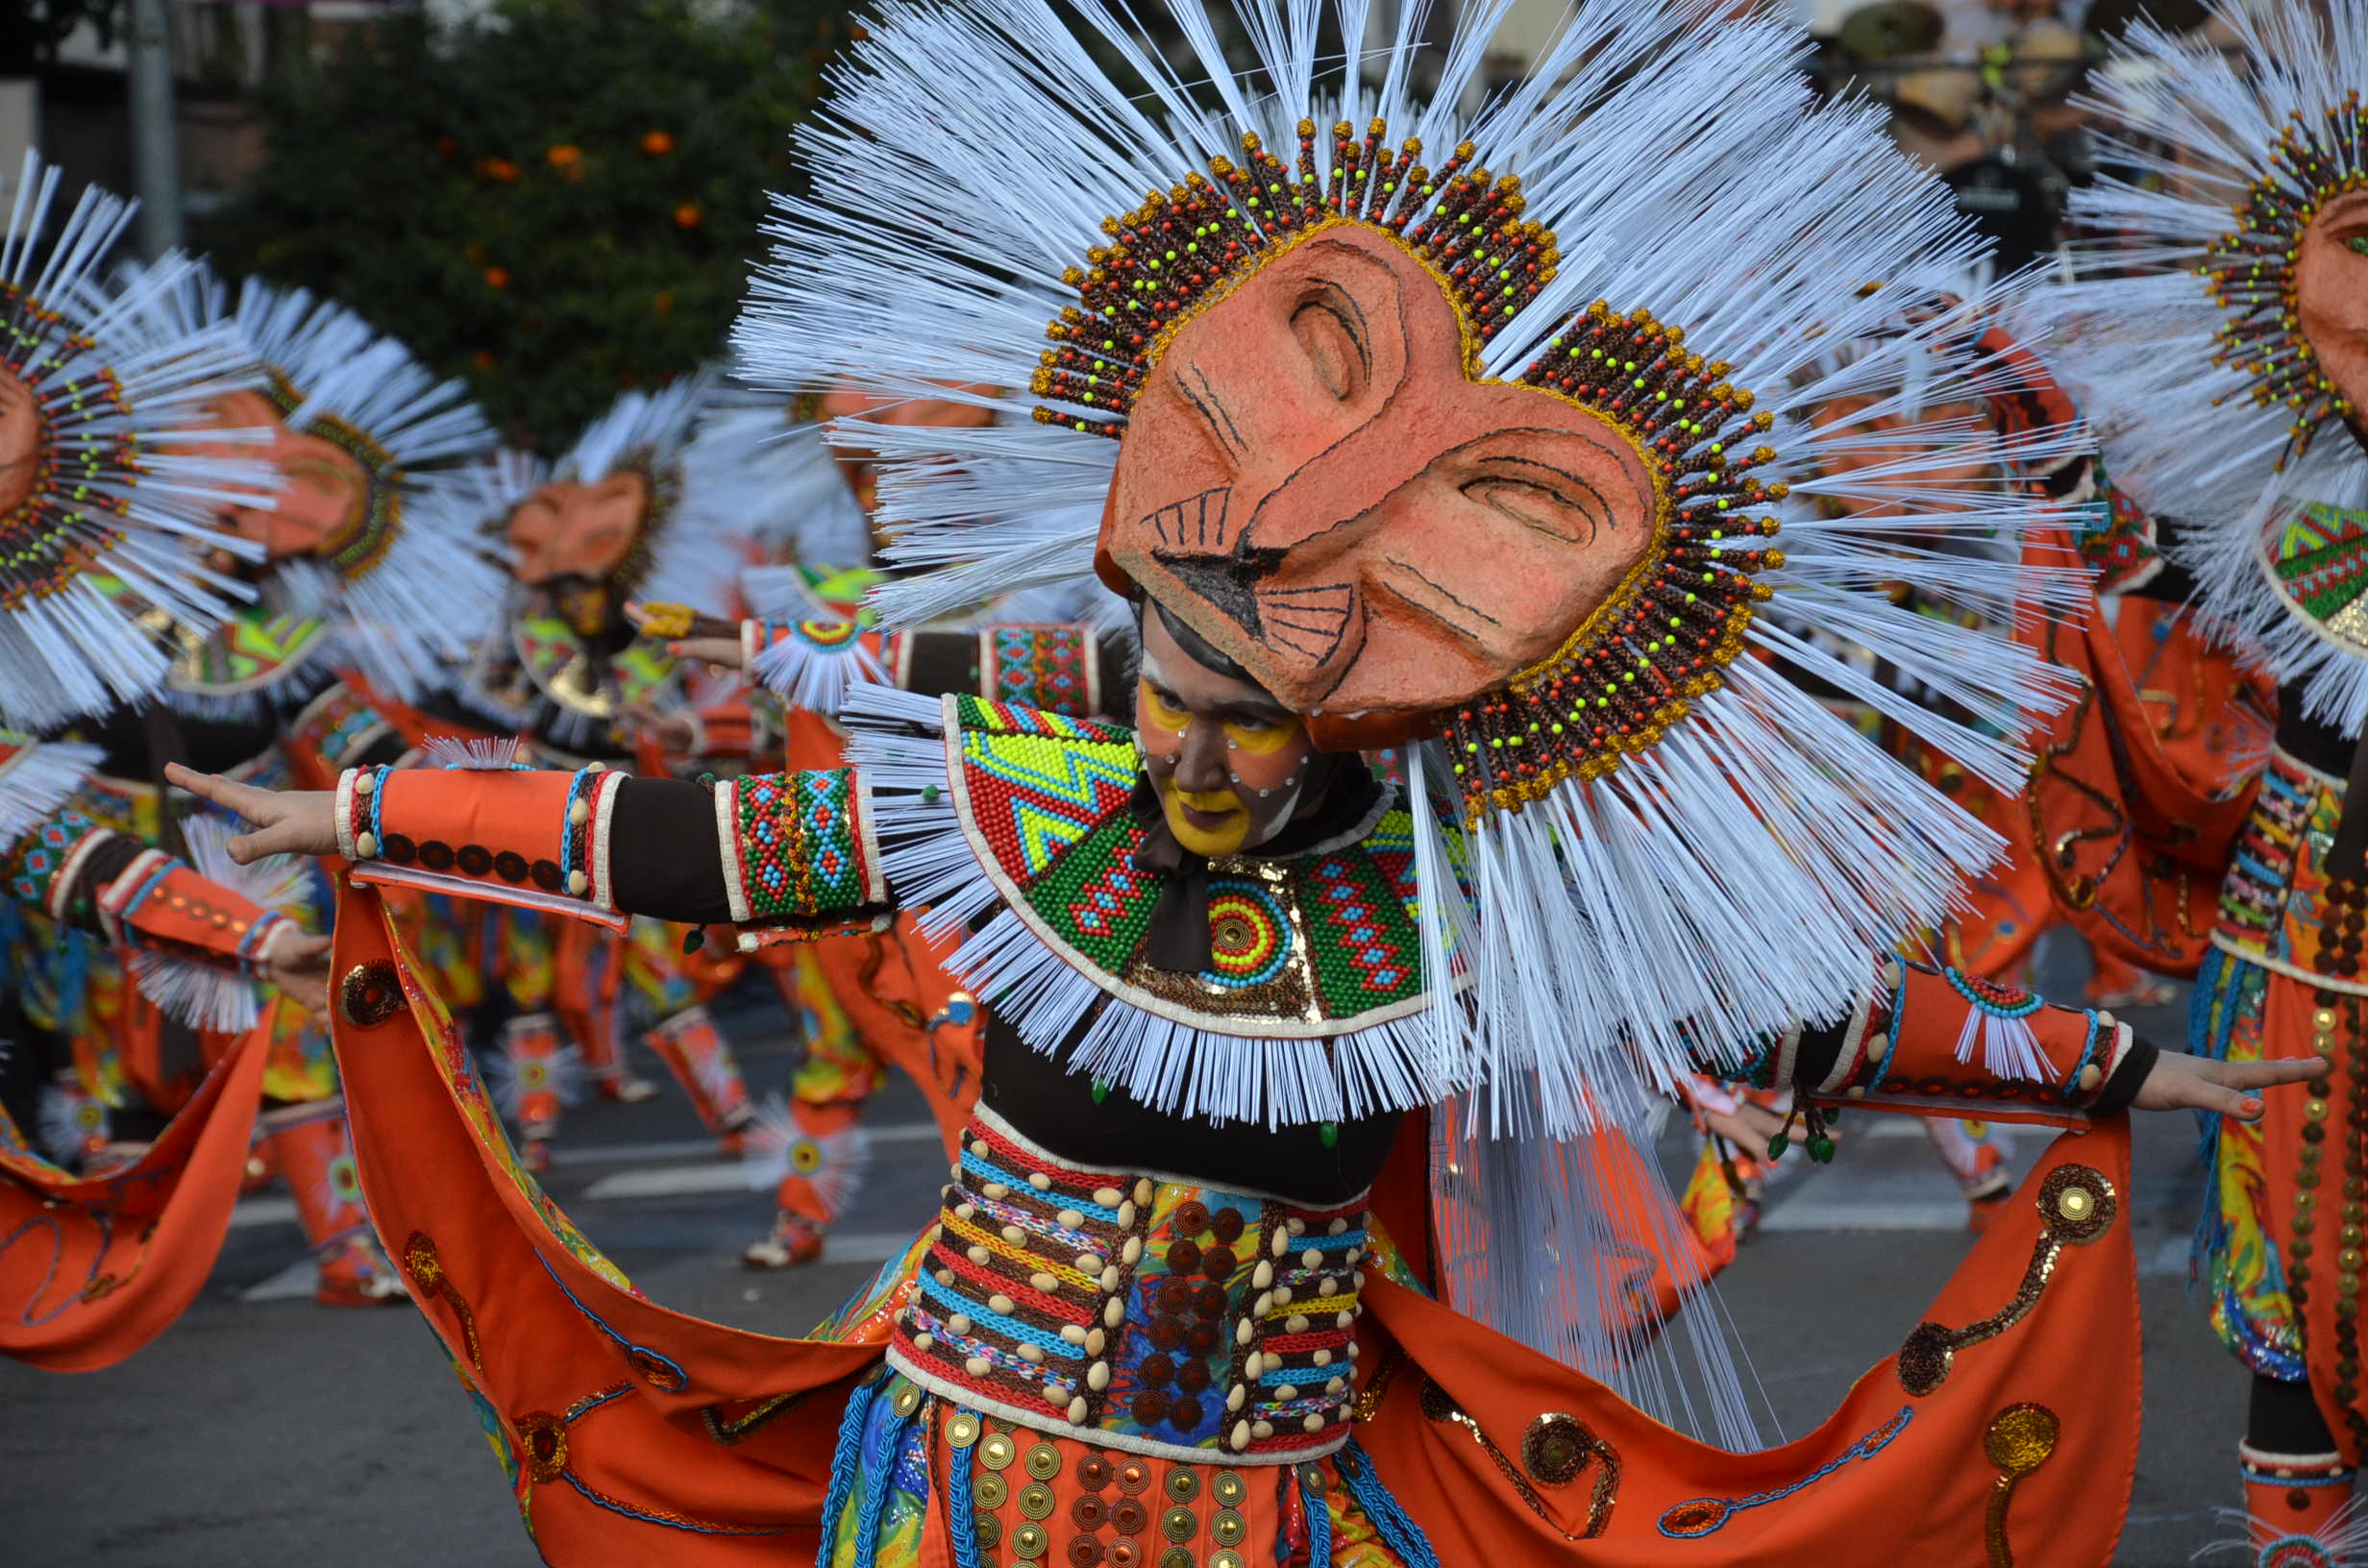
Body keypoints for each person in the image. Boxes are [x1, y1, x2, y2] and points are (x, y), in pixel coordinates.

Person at [179, 1, 2312, 1559]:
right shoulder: (1008, 812)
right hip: (953, 1488)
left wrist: (2102, 1078)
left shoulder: (1468, 907)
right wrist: (357, 816)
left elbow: (1785, 1020)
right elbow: (703, 841)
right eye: (1166, 701)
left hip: (1276, 1509)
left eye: (1244, 725)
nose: (1188, 754)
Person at [2029, 1, 2368, 1555]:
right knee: (2293, 1272)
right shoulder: (2255, 489)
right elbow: (2131, 629)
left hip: (2303, 905)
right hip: (2305, 922)